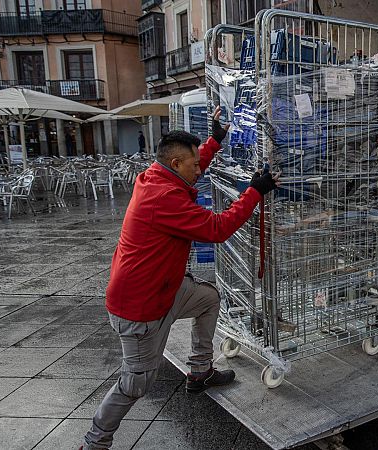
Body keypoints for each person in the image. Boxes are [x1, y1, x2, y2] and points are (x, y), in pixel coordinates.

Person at [82, 110, 278, 450]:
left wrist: (214, 141)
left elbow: (191, 161)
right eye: (194, 166)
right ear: (175, 164)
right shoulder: (164, 197)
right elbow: (217, 229)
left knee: (208, 298)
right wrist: (254, 192)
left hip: (164, 288)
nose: (200, 171)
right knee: (135, 384)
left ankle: (200, 371)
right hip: (140, 307)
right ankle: (95, 442)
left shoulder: (158, 177)